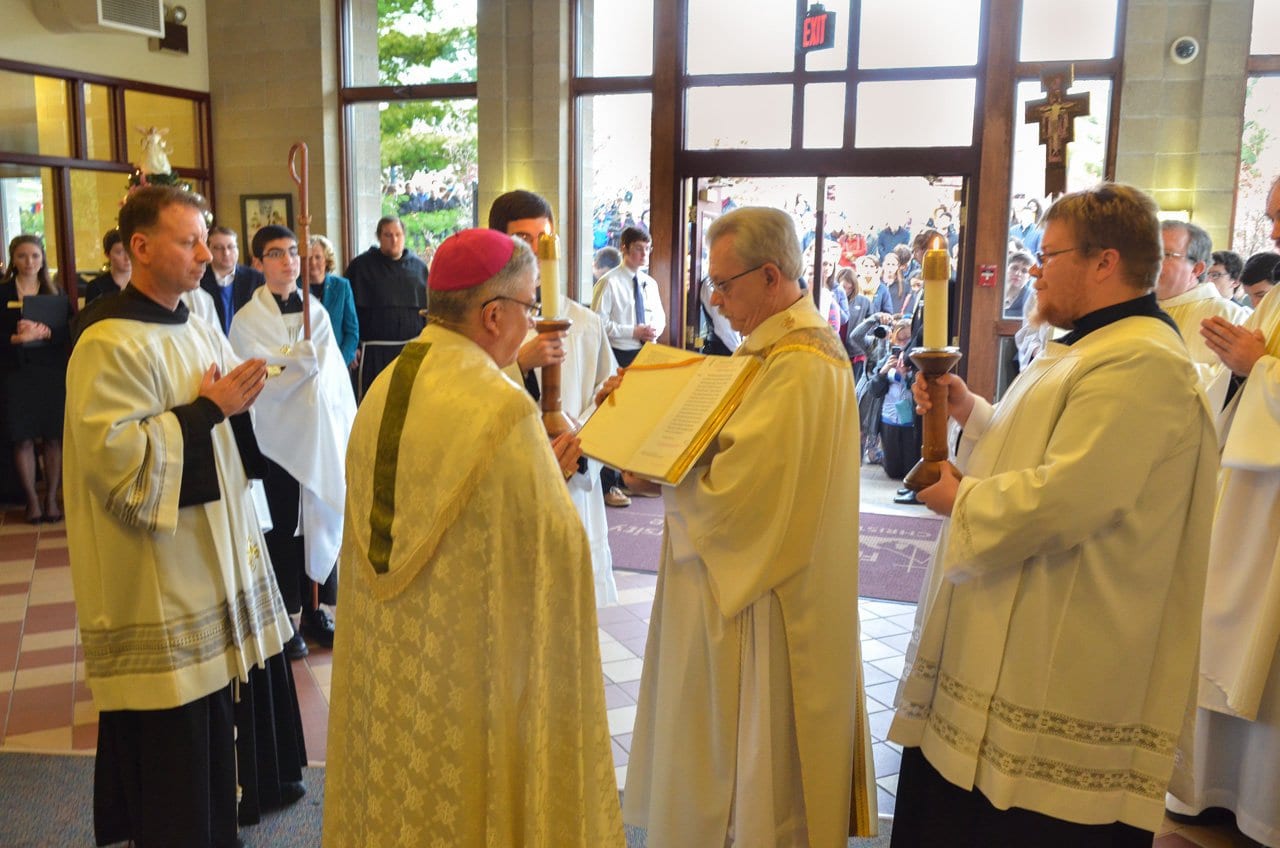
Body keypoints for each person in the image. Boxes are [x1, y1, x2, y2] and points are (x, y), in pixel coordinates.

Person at [888, 183, 1219, 847]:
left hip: (1067, 646)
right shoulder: (1088, 347)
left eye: (1049, 254)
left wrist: (961, 499)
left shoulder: (1142, 361)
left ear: (1105, 261)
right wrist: (970, 411)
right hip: (1017, 621)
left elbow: (1073, 496)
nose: (1035, 270)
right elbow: (1040, 449)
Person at [322, 229, 623, 847]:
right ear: (493, 315)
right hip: (467, 668)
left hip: (398, 652)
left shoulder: (385, 388)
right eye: (529, 308)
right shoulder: (501, 409)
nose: (533, 323)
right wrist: (555, 472)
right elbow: (556, 547)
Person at [619, 206, 877, 846]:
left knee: (751, 771)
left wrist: (660, 473)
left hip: (762, 602)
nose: (718, 301)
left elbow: (746, 498)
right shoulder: (770, 350)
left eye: (724, 285)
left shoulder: (802, 364)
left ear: (769, 276)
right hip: (733, 581)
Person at [64, 185, 295, 848]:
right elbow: (112, 459)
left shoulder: (195, 311)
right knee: (171, 730)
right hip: (156, 572)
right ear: (139, 247)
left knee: (208, 724)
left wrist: (228, 403)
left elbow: (213, 402)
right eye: (187, 241)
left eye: (204, 239)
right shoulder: (107, 341)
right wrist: (207, 411)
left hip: (206, 553)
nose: (204, 254)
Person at [1167, 176, 1280, 847]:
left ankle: (1262, 807)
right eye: (1270, 217)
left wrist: (1258, 368)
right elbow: (1242, 375)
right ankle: (1209, 787)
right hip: (1244, 498)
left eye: (1279, 216)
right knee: (1220, 629)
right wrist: (1238, 369)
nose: (1272, 231)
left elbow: (1262, 367)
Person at [489, 189, 621, 606]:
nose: (533, 250)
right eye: (522, 239)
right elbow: (467, 394)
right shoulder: (487, 320)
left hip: (576, 477)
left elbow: (606, 395)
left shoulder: (583, 321)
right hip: (513, 484)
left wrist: (580, 440)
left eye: (543, 239)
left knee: (572, 612)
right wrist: (519, 365)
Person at [230, 225, 356, 655]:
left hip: (315, 434)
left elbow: (327, 371)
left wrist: (296, 365)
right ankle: (285, 617)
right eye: (276, 254)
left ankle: (318, 608)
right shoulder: (247, 320)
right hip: (274, 439)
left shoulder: (314, 313)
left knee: (317, 517)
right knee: (283, 527)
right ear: (259, 263)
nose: (288, 261)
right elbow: (255, 371)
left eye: (292, 253)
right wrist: (295, 366)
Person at [1, 235, 69, 524]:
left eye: (35, 256)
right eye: (22, 256)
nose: (29, 262)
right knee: (23, 439)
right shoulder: (2, 292)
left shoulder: (55, 292)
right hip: (16, 373)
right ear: (13, 260)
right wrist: (18, 337)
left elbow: (69, 332)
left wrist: (48, 334)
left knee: (54, 438)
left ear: (43, 260)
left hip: (50, 372)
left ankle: (52, 498)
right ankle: (32, 501)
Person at [1156, 220, 1249, 408]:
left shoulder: (1228, 316)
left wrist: (1154, 370)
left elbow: (1228, 387)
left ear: (1197, 269)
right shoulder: (1132, 312)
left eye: (1164, 254)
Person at [344, 215, 429, 398]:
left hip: (410, 350)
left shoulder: (419, 268)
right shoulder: (360, 266)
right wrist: (353, 346)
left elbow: (428, 311)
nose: (394, 240)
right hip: (373, 354)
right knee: (373, 401)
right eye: (388, 235)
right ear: (379, 237)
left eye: (398, 234)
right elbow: (349, 312)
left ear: (404, 236)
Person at [591, 225, 664, 367]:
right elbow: (599, 323)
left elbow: (660, 317)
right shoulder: (608, 282)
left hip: (648, 350)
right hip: (620, 353)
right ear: (624, 248)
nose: (644, 254)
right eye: (638, 248)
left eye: (647, 248)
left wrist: (653, 330)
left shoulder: (650, 283)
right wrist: (633, 332)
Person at [305, 234, 360, 369]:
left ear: (327, 259)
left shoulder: (342, 286)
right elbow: (286, 342)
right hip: (305, 366)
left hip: (337, 364)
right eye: (308, 258)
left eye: (318, 257)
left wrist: (340, 361)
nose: (313, 262)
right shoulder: (295, 288)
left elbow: (352, 332)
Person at [199, 226, 264, 335]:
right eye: (219, 248)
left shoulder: (255, 278)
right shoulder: (199, 280)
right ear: (208, 249)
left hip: (249, 344)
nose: (226, 253)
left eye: (231, 247)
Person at [84, 229, 132, 303]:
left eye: (129, 250)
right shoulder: (96, 287)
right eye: (119, 252)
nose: (127, 257)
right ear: (107, 255)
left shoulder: (145, 283)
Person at [1002, 249, 1034, 317]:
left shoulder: (1031, 299)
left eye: (1024, 271)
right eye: (1014, 268)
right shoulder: (995, 293)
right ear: (1006, 269)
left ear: (1029, 277)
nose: (1018, 273)